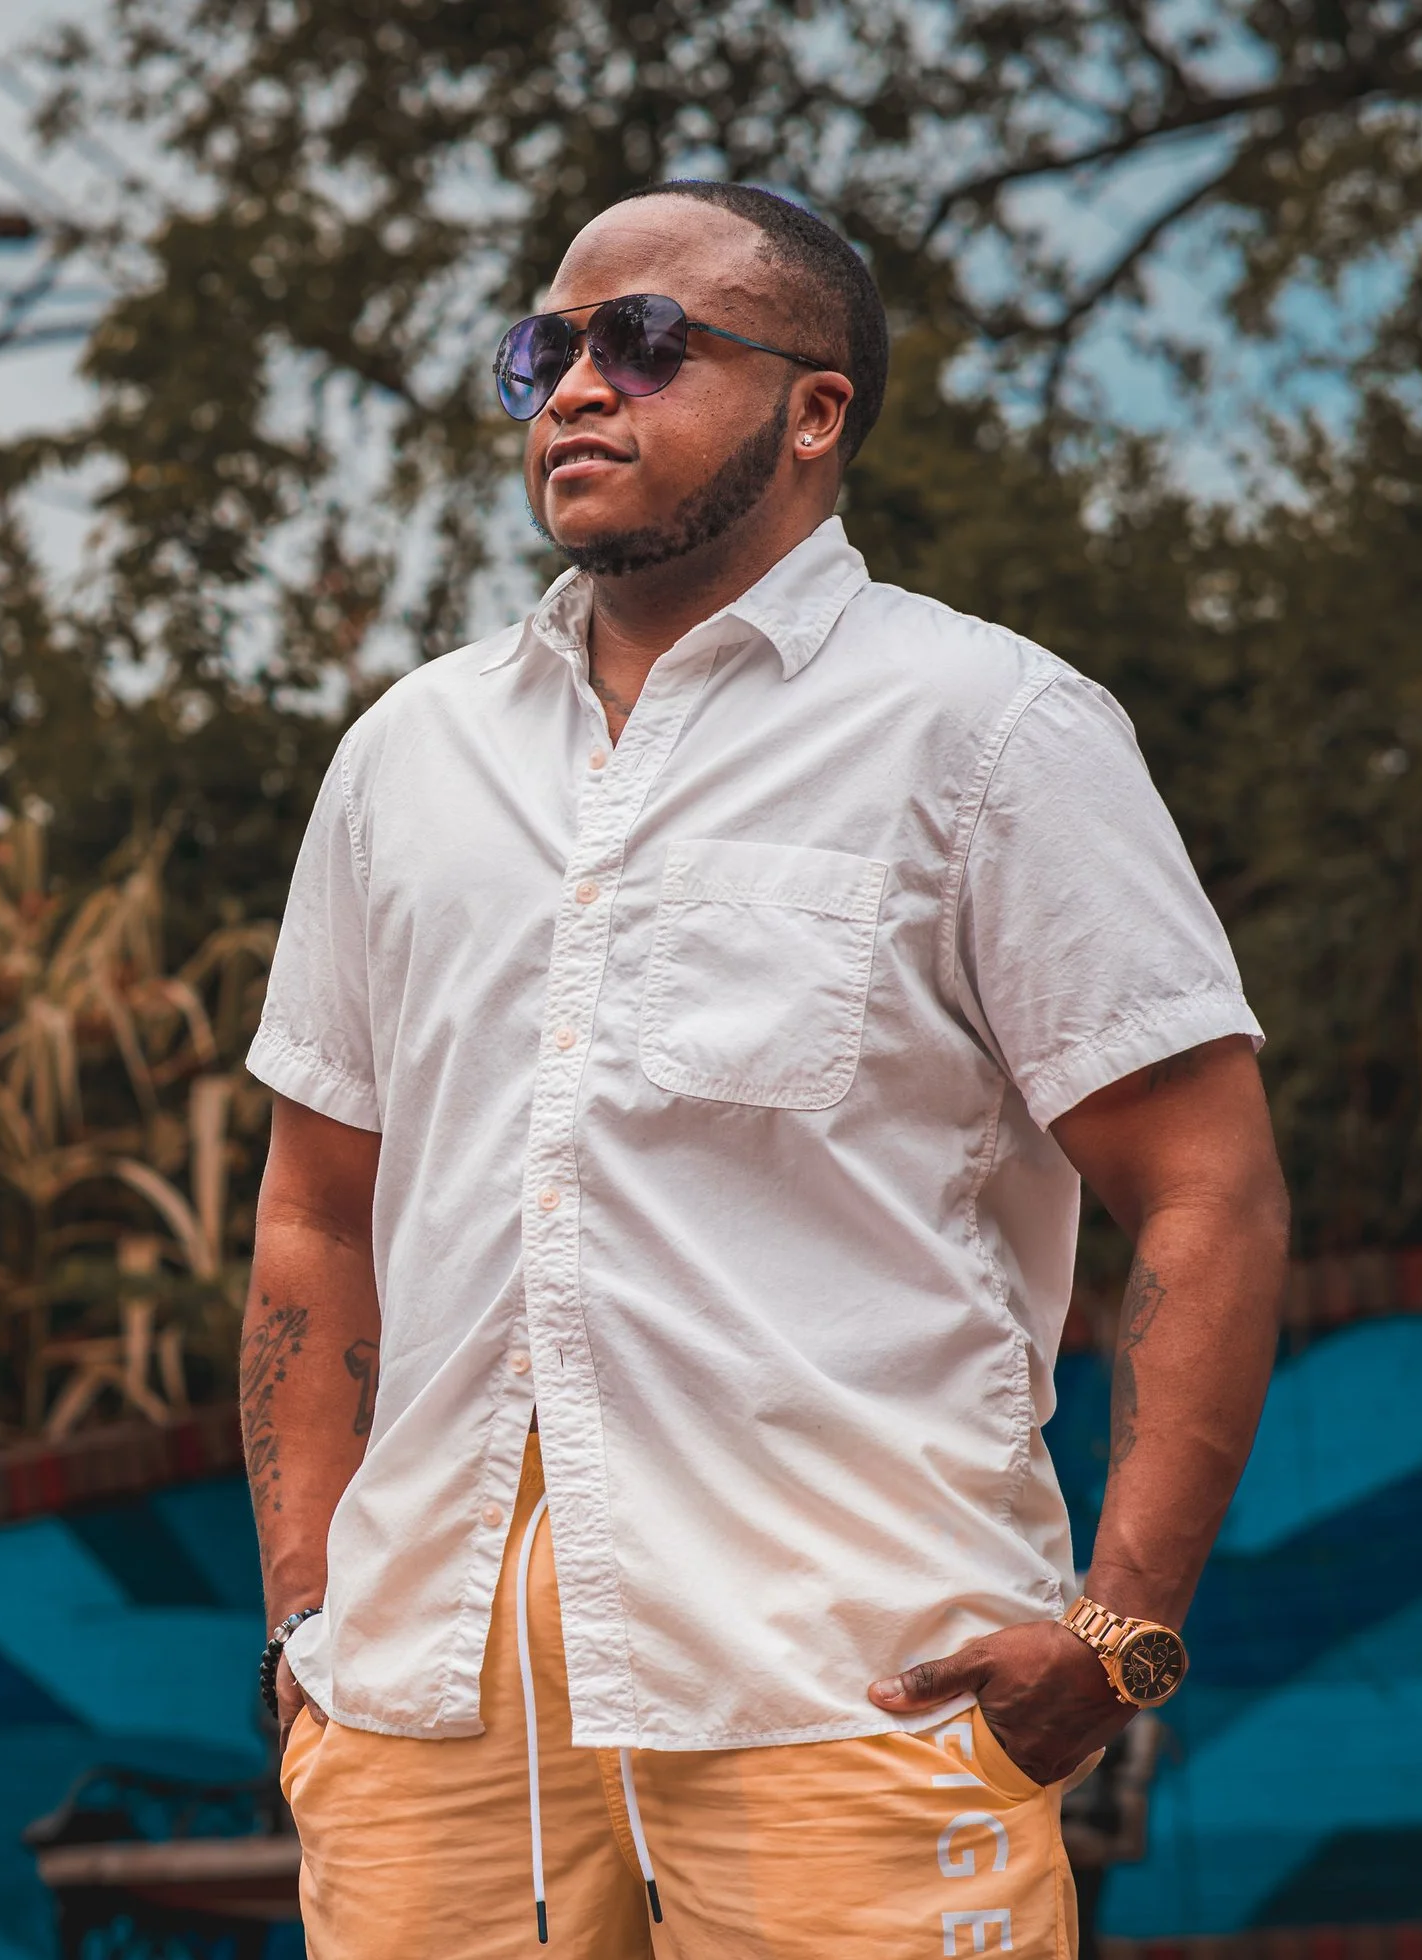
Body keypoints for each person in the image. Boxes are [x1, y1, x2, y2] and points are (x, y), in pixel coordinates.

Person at [239, 179, 1289, 1959]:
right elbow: (317, 1210)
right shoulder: (404, 759)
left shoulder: (990, 732)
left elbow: (1208, 1184)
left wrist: (1120, 1633)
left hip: (855, 1689)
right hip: (434, 1721)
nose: (578, 387)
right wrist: (305, 1620)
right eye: (547, 347)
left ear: (818, 411)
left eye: (646, 342)